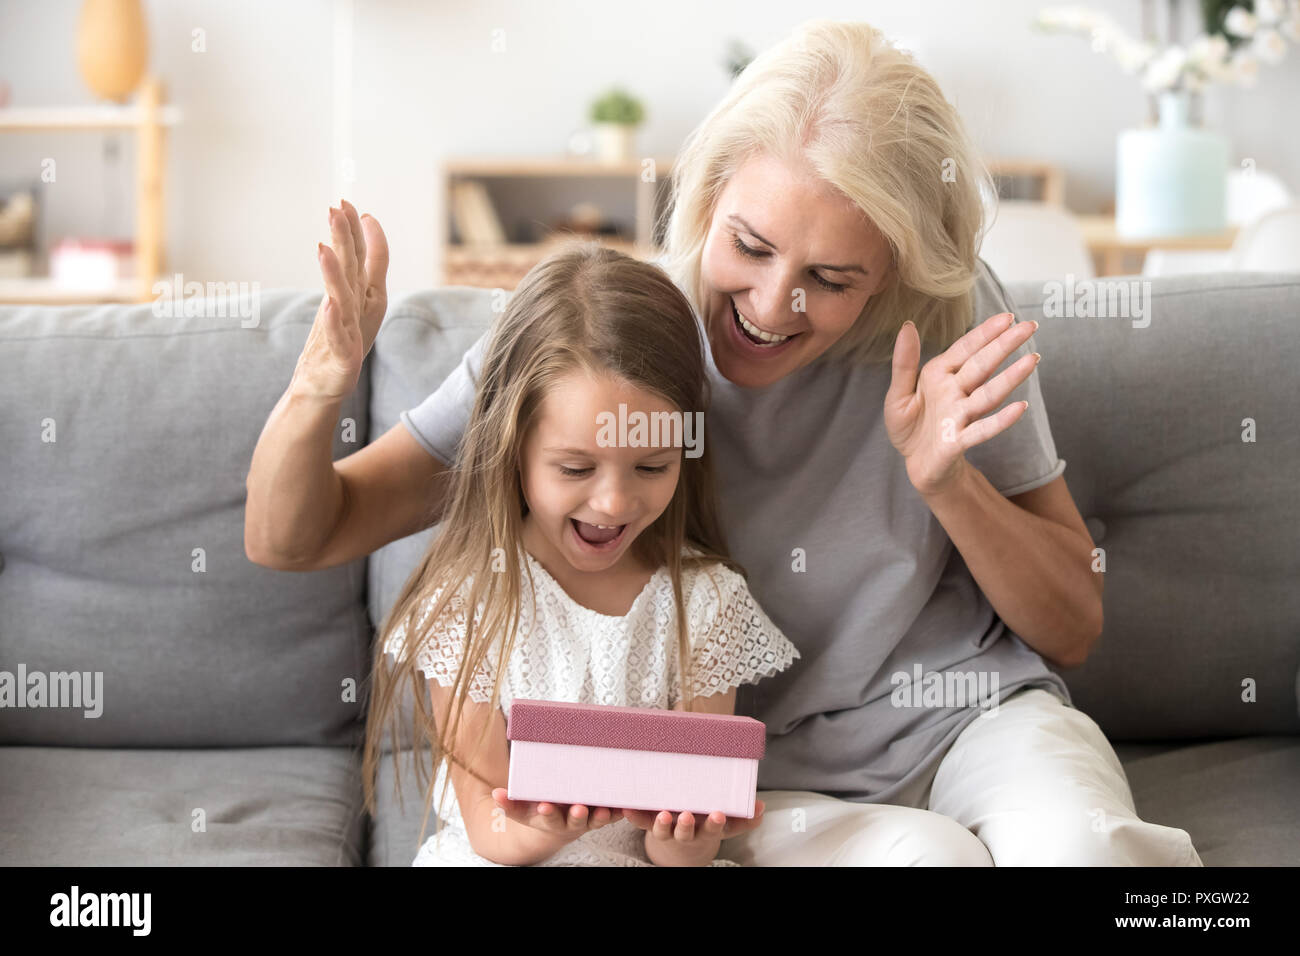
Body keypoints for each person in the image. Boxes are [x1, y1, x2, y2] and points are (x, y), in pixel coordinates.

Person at [246, 18, 1202, 865]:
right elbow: (294, 536)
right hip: (747, 784)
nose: (772, 305)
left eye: (830, 278)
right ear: (707, 198)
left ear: (894, 273)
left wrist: (947, 482)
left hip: (968, 724)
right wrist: (320, 381)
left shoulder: (950, 319)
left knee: (1085, 850)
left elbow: (1072, 624)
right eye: (748, 245)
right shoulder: (609, 341)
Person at [362, 242, 800, 866]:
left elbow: (687, 834)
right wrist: (548, 826)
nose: (614, 502)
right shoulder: (472, 602)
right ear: (513, 449)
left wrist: (686, 840)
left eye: (652, 465)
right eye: (575, 467)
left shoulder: (707, 603)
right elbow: (489, 824)